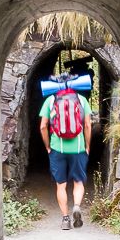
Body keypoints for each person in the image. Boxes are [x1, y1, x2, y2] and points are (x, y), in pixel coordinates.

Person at [39, 79, 92, 230]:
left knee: (60, 185)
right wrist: (87, 146)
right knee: (78, 181)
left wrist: (48, 146)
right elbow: (88, 125)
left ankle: (65, 219)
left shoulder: (51, 100)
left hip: (57, 148)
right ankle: (76, 206)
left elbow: (43, 126)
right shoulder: (81, 100)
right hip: (78, 148)